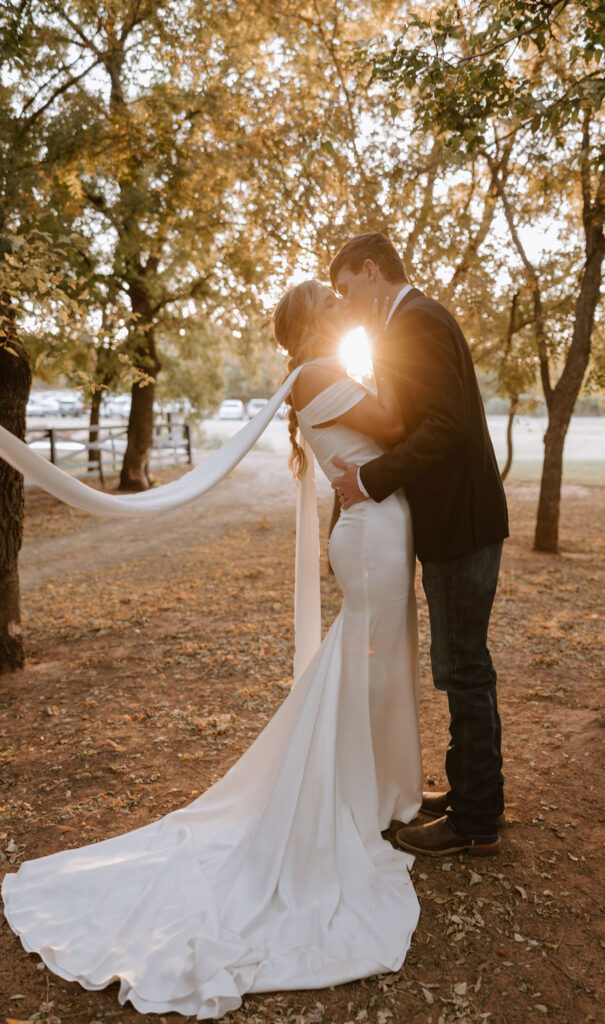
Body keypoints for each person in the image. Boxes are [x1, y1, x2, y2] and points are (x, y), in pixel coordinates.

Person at [1, 279, 424, 1018]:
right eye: (330, 298)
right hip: (370, 539)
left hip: (380, 532)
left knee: (374, 668)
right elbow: (394, 425)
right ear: (313, 320)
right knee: (366, 664)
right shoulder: (319, 376)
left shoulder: (322, 374)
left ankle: (373, 791)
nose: (340, 304)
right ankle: (354, 798)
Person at [329, 232, 508, 857]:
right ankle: (469, 792)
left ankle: (477, 819)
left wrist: (369, 480)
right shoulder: (411, 321)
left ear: (372, 270)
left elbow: (444, 426)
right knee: (462, 664)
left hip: (462, 523)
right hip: (458, 522)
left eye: (347, 289)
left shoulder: (416, 322)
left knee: (464, 668)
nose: (345, 303)